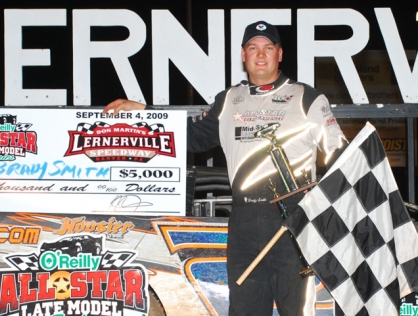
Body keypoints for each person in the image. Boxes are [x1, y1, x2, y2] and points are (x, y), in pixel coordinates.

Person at [104, 21, 347, 316]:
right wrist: (144, 111)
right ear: (243, 55)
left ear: (280, 54)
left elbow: (340, 154)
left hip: (293, 223)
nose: (260, 55)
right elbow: (191, 135)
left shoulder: (307, 98)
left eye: (268, 48)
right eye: (253, 48)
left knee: (297, 312)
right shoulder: (230, 100)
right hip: (244, 223)